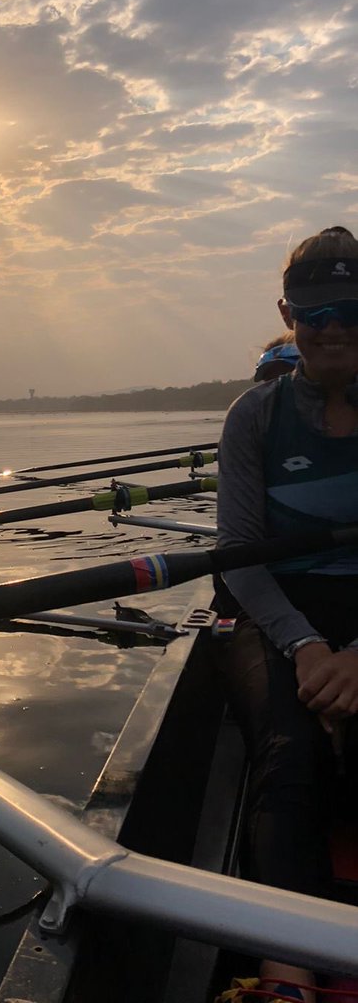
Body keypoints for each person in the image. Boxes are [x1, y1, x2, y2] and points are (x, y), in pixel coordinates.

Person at [215, 225, 358, 1003]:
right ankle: (288, 969)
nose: (332, 326)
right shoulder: (255, 417)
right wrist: (307, 647)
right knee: (289, 748)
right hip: (273, 608)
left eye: (349, 308)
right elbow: (239, 555)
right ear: (287, 313)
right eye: (313, 312)